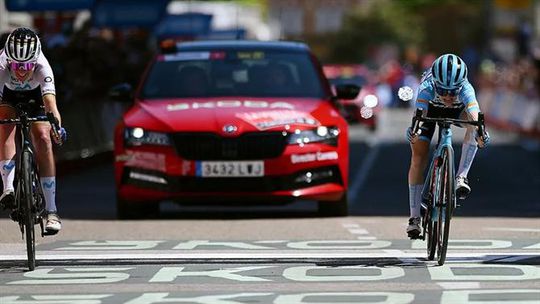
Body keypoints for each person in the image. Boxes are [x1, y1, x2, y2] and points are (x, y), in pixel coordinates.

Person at [406, 54, 490, 238]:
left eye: (453, 92)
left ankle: (461, 177)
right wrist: (414, 131)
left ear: (460, 86)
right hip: (430, 112)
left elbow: (475, 113)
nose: (448, 96)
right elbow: (419, 114)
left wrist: (480, 133)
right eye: (442, 91)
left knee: (473, 126)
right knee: (418, 157)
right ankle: (414, 218)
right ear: (435, 83)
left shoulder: (466, 88)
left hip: (457, 113)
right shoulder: (427, 87)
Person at [0, 28, 66, 233]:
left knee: (44, 139)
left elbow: (51, 105)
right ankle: (8, 188)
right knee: (5, 126)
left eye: (27, 65)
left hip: (36, 98)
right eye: (16, 65)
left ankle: (52, 211)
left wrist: (57, 128)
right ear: (8, 60)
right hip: (8, 98)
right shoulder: (1, 65)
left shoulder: (42, 66)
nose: (21, 71)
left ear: (35, 61)